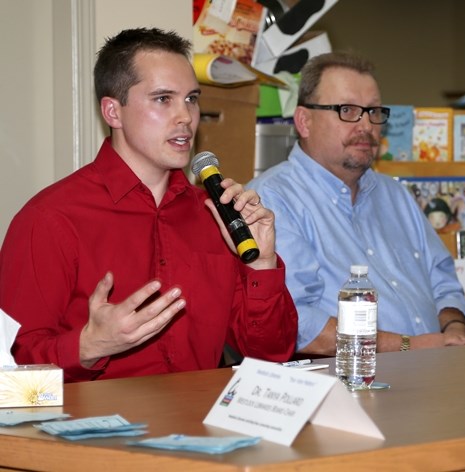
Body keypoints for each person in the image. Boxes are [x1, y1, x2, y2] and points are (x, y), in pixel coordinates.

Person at [0, 28, 298, 382]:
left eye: (191, 99)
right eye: (163, 99)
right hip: (90, 432)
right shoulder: (50, 218)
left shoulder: (215, 215)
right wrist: (88, 346)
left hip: (200, 429)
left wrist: (262, 264)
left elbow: (271, 352)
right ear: (113, 112)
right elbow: (10, 374)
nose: (185, 117)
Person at [246, 51, 465, 355]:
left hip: (439, 369)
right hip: (345, 383)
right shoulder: (271, 201)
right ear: (304, 121)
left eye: (374, 112)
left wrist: (455, 329)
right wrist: (411, 346)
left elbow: (443, 281)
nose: (366, 125)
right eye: (348, 110)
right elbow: (295, 322)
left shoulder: (395, 195)